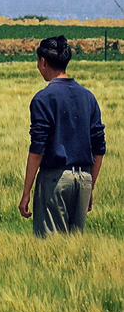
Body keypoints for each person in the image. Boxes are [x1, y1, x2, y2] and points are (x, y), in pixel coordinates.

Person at [19, 35, 106, 237]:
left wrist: (26, 193)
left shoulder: (43, 98)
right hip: (84, 178)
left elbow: (37, 149)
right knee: (74, 250)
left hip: (55, 179)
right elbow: (99, 148)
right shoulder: (88, 97)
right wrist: (90, 186)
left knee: (51, 250)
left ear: (43, 62)